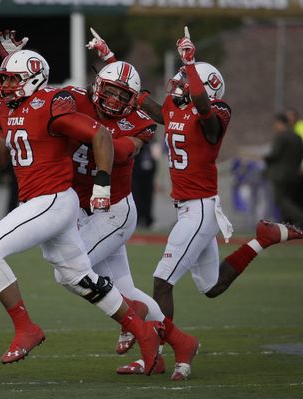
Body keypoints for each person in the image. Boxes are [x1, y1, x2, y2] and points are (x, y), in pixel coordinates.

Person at [87, 26, 303, 379]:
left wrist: (190, 63)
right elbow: (140, 99)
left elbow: (203, 107)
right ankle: (263, 238)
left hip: (200, 207)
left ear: (203, 85)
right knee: (212, 285)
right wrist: (111, 59)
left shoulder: (217, 113)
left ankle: (155, 354)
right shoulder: (174, 106)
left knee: (161, 281)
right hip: (188, 207)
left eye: (184, 81)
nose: (176, 87)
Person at [0, 30, 200, 381]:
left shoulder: (137, 123)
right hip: (88, 208)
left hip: (114, 210)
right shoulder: (73, 98)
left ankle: (137, 325)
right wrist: (12, 62)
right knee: (124, 289)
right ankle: (175, 344)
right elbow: (34, 92)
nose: (116, 100)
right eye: (111, 90)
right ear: (96, 85)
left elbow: (121, 149)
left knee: (68, 272)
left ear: (134, 99)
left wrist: (97, 132)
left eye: (124, 95)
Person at [263, 113, 303, 227]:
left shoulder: (281, 136)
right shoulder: (297, 137)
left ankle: (299, 217)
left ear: (280, 123)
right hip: (295, 175)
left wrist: (265, 158)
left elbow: (274, 155)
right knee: (290, 199)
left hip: (280, 175)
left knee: (280, 200)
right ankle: (287, 225)